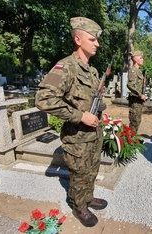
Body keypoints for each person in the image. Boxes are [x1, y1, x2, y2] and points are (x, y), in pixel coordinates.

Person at [35, 17, 107, 228]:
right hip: (77, 136)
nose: (97, 44)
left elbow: (88, 98)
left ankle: (88, 197)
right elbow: (43, 99)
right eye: (92, 40)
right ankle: (79, 206)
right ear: (78, 39)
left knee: (92, 169)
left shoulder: (92, 71)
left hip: (94, 132)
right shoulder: (65, 67)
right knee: (79, 173)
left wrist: (98, 108)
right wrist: (80, 116)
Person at [127, 50, 146, 133]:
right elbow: (130, 85)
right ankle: (130, 141)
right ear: (135, 59)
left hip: (138, 102)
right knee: (134, 122)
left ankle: (133, 140)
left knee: (137, 121)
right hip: (135, 101)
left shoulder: (139, 71)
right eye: (141, 58)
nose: (143, 60)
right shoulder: (133, 71)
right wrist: (140, 95)